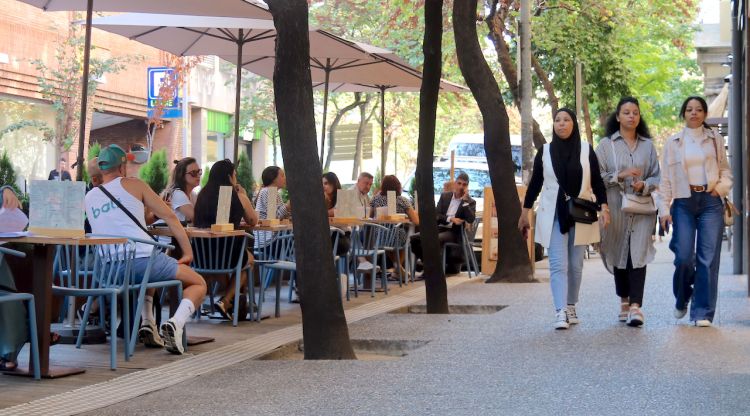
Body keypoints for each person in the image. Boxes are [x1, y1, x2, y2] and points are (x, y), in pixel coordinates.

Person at [85, 144, 207, 354]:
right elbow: (169, 216)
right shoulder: (135, 185)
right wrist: (187, 252)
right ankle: (175, 324)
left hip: (108, 271)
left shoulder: (89, 198)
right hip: (141, 260)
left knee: (152, 267)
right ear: (122, 166)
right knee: (198, 282)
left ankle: (148, 321)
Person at [518, 108, 610, 330]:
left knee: (576, 265)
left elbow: (597, 181)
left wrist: (604, 207)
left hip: (580, 214)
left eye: (566, 120)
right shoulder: (546, 151)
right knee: (558, 264)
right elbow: (536, 183)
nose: (561, 124)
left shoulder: (586, 150)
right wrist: (525, 212)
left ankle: (571, 305)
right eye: (557, 120)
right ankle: (560, 311)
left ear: (573, 124)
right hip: (554, 214)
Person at [659, 96, 732, 327]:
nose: (694, 113)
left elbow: (725, 170)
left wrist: (719, 190)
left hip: (710, 201)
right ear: (683, 114)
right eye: (689, 109)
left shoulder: (714, 139)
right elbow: (666, 179)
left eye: (699, 109)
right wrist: (664, 208)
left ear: (704, 114)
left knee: (708, 259)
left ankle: (702, 312)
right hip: (683, 201)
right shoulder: (674, 142)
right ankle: (682, 297)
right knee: (683, 258)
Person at [595, 97, 661, 327]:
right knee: (618, 253)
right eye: (626, 112)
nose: (631, 116)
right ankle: (624, 300)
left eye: (635, 112)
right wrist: (619, 176)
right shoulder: (606, 145)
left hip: (642, 209)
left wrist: (645, 184)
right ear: (618, 116)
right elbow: (597, 178)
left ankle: (636, 306)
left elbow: (656, 175)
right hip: (615, 208)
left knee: (638, 254)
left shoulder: (648, 146)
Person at [193, 160, 258, 320]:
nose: (236, 177)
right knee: (249, 260)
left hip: (201, 255)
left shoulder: (202, 195)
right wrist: (243, 195)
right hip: (228, 254)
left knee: (226, 264)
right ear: (229, 176)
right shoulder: (237, 196)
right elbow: (253, 220)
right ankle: (226, 300)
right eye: (235, 174)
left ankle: (227, 302)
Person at [410, 172, 472, 275]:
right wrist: (450, 219)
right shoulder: (445, 196)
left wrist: (465, 201)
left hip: (454, 232)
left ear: (467, 187)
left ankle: (431, 271)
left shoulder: (470, 202)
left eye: (464, 184)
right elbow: (437, 215)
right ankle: (429, 266)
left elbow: (470, 219)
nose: (461, 186)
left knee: (435, 240)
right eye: (459, 183)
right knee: (414, 238)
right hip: (440, 227)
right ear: (455, 183)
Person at [369, 175, 419, 279]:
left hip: (378, 236)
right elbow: (416, 221)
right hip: (396, 236)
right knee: (404, 237)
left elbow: (369, 217)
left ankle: (397, 269)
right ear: (398, 186)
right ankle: (399, 268)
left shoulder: (375, 199)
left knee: (386, 238)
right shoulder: (402, 200)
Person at [253, 166, 291, 247]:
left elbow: (281, 215)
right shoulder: (269, 191)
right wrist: (287, 206)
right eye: (282, 175)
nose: (285, 178)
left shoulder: (274, 193)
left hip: (271, 239)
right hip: (267, 241)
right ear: (273, 178)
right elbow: (274, 217)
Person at [161, 157, 201, 224]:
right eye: (193, 173)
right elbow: (197, 218)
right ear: (182, 175)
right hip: (167, 234)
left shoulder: (193, 194)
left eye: (199, 171)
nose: (198, 175)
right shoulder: (177, 193)